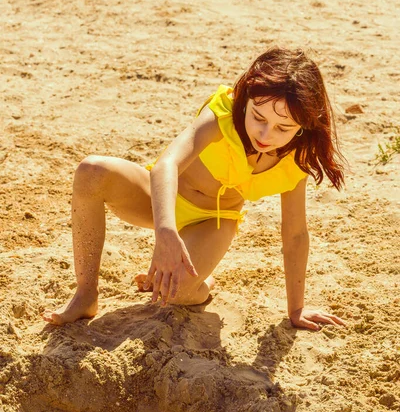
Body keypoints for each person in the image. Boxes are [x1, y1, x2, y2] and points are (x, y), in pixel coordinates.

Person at [43, 46, 346, 330]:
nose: (266, 134)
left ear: (304, 126)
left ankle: (205, 284)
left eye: (283, 128)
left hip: (212, 221)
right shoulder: (224, 112)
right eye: (258, 117)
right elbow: (167, 165)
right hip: (160, 196)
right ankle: (85, 295)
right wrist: (165, 232)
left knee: (174, 296)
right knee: (91, 171)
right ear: (246, 98)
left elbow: (294, 233)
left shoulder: (296, 159)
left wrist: (296, 309)